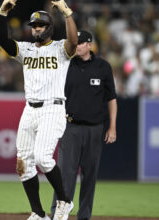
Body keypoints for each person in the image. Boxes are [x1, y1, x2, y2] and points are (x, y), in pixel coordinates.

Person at [0, 0, 78, 219]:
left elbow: (74, 40)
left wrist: (66, 12)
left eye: (41, 25)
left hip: (53, 108)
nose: (37, 29)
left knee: (43, 158)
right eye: (34, 26)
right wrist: (3, 13)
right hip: (30, 109)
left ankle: (65, 200)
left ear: (49, 27)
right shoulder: (26, 49)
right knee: (23, 163)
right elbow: (3, 41)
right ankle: (38, 213)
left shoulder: (60, 48)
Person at [50, 30, 117, 220]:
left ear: (90, 45)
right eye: (74, 42)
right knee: (65, 176)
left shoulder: (103, 67)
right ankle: (58, 214)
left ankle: (84, 216)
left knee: (90, 176)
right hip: (69, 127)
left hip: (95, 129)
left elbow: (111, 98)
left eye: (80, 42)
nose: (76, 45)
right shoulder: (64, 64)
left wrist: (112, 127)